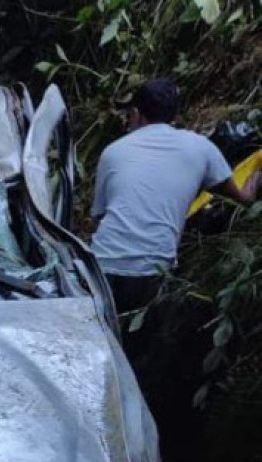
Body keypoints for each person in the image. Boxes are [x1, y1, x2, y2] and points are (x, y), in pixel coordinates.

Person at [90, 78, 261, 314]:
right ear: (173, 115)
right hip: (152, 269)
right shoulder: (201, 148)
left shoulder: (113, 151)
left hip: (101, 265)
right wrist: (258, 168)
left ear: (137, 113)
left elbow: (99, 217)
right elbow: (243, 198)